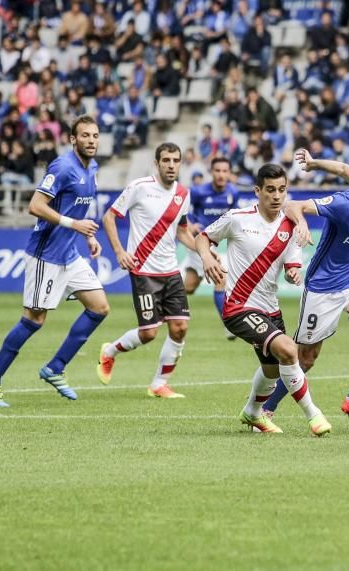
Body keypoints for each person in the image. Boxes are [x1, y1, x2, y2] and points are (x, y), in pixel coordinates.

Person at [0, 116, 109, 407]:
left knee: (99, 308)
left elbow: (79, 208)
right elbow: (35, 205)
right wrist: (74, 225)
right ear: (73, 139)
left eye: (95, 135)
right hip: (45, 255)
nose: (91, 140)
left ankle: (56, 367)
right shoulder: (62, 167)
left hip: (70, 255)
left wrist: (88, 236)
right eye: (84, 135)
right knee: (34, 320)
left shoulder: (93, 168)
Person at [261, 151, 349, 424]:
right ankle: (265, 408)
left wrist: (314, 163)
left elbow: (344, 167)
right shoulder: (343, 203)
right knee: (306, 359)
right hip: (323, 287)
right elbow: (292, 206)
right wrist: (301, 224)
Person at [195, 164, 331, 437]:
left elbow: (293, 266)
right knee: (289, 350)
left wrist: (293, 273)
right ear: (258, 191)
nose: (276, 195)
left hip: (270, 308)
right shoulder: (237, 218)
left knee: (270, 371)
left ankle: (252, 413)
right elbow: (202, 237)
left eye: (281, 190)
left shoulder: (290, 227)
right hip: (238, 307)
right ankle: (313, 415)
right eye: (270, 190)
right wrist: (208, 257)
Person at [96, 143, 197, 398]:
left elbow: (182, 231)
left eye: (176, 160)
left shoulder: (183, 194)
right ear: (157, 163)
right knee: (149, 333)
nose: (171, 165)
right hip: (143, 272)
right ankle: (109, 353)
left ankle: (159, 384)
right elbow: (109, 217)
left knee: (180, 328)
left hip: (171, 271)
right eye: (166, 160)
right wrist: (119, 251)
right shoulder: (139, 188)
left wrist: (205, 253)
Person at [182, 156, 238, 330]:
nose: (221, 175)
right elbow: (181, 209)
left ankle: (164, 300)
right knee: (221, 279)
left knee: (189, 287)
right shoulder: (198, 192)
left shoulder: (233, 193)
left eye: (224, 171)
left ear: (229, 173)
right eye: (217, 171)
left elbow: (233, 216)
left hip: (219, 243)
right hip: (202, 242)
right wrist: (190, 224)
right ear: (211, 172)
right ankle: (229, 326)